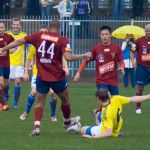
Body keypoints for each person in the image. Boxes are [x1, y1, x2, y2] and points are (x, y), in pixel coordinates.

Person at [0, 20, 91, 136]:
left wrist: (4, 48)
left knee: (39, 102)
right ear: (59, 28)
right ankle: (67, 122)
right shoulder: (63, 40)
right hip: (57, 77)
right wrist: (83, 55)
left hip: (42, 77)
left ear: (48, 28)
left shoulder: (38, 36)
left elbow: (19, 41)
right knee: (65, 99)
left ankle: (37, 128)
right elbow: (68, 57)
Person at [20, 25, 70, 122]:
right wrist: (26, 72)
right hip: (38, 73)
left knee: (53, 94)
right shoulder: (36, 43)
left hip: (53, 74)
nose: (43, 33)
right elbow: (29, 58)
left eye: (45, 31)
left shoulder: (55, 43)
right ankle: (26, 112)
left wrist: (66, 67)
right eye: (41, 31)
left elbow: (64, 56)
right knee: (34, 92)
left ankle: (53, 115)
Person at [81, 88, 150, 138]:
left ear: (98, 99)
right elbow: (134, 99)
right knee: (98, 114)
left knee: (82, 129)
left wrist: (93, 137)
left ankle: (80, 126)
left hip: (108, 130)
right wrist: (148, 96)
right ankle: (99, 119)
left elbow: (108, 132)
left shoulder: (106, 112)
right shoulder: (115, 98)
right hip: (118, 122)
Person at [7, 17, 28, 109]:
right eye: (14, 24)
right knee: (5, 83)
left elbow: (29, 49)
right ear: (12, 25)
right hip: (7, 63)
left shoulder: (24, 35)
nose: (15, 26)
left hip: (19, 63)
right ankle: (5, 102)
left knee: (18, 82)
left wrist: (28, 61)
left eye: (17, 24)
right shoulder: (7, 34)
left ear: (20, 25)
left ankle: (15, 103)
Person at [130, 24, 150, 114]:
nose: (148, 32)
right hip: (141, 68)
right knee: (140, 88)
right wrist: (133, 60)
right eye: (147, 31)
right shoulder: (139, 40)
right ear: (144, 31)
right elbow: (132, 51)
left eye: (149, 31)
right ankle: (138, 108)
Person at [0, 22, 14, 111]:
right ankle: (3, 104)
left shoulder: (8, 37)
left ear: (5, 28)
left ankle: (4, 100)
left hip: (6, 64)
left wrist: (13, 49)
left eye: (2, 27)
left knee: (5, 84)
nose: (0, 29)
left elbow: (14, 46)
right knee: (0, 83)